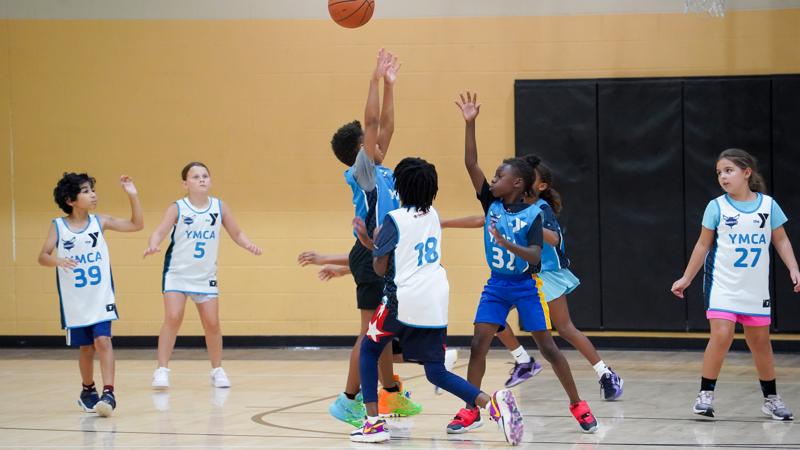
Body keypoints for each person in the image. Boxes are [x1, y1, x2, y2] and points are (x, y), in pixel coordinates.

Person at [447, 91, 598, 434]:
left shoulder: (535, 212)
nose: (493, 180)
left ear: (517, 183)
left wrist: (505, 242)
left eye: (499, 176)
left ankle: (578, 404)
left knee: (548, 347)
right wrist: (470, 124)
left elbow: (533, 255)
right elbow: (471, 165)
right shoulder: (491, 203)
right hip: (497, 285)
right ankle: (470, 408)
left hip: (526, 285)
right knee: (478, 342)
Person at [350, 156, 524, 445]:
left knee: (368, 350)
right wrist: (375, 244)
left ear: (400, 187)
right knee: (436, 371)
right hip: (434, 298)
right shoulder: (432, 214)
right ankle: (492, 405)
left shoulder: (395, 219)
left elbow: (381, 268)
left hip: (401, 299)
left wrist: (373, 245)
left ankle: (372, 425)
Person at [441, 156, 624, 400]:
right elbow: (482, 220)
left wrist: (526, 227)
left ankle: (605, 373)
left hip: (546, 272)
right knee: (493, 321)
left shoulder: (539, 209)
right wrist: (445, 222)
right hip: (520, 274)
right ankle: (523, 360)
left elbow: (554, 239)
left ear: (539, 186)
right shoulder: (505, 207)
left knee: (565, 328)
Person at [324, 48, 421, 426]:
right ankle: (348, 400)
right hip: (369, 256)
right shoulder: (363, 172)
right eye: (373, 138)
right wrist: (373, 79)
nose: (381, 138)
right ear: (361, 149)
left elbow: (387, 125)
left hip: (383, 255)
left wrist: (392, 86)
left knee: (381, 330)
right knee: (369, 334)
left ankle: (391, 394)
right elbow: (373, 120)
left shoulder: (381, 168)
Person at [671, 148, 799, 420]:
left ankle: (771, 398)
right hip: (723, 285)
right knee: (721, 334)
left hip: (754, 289)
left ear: (746, 173)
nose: (723, 177)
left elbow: (781, 240)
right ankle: (705, 395)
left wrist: (793, 267)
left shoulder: (768, 205)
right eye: (719, 172)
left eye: (728, 171)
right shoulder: (716, 206)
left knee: (761, 342)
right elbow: (703, 244)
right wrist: (686, 277)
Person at [144, 162, 262, 389]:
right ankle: (161, 369)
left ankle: (217, 370)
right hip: (177, 273)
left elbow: (236, 232)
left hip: (205, 275)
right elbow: (159, 231)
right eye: (196, 176)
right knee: (173, 317)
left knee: (212, 324)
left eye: (205, 176)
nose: (201, 180)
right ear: (185, 183)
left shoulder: (220, 207)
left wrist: (249, 245)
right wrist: (153, 245)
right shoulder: (178, 207)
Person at [38, 172, 144, 417]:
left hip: (100, 296)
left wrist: (133, 195)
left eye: (92, 190)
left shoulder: (100, 222)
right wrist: (57, 260)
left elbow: (136, 224)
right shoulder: (58, 227)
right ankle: (88, 391)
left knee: (103, 341)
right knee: (86, 348)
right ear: (70, 199)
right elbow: (42, 256)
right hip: (75, 299)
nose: (93, 194)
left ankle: (109, 393)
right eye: (85, 191)